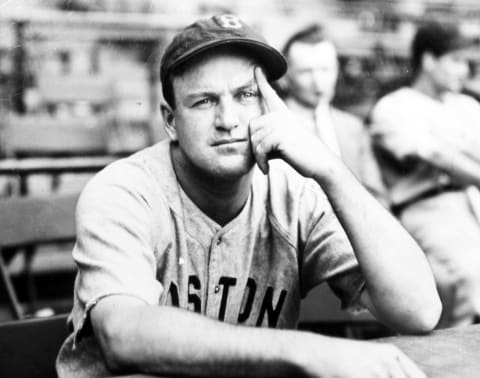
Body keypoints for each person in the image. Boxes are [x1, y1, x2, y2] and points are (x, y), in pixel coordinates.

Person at [56, 14, 440, 378]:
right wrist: (309, 351)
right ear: (171, 120)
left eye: (246, 94)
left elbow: (419, 310)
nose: (228, 119)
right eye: (204, 101)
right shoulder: (124, 190)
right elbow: (122, 334)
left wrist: (330, 169)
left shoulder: (295, 192)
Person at [370, 20, 480, 328]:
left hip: (471, 204)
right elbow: (436, 156)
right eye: (456, 61)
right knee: (470, 273)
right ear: (429, 60)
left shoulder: (468, 106)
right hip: (427, 208)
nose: (464, 71)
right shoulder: (394, 106)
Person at [280, 24, 387, 205]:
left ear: (337, 69)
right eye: (306, 72)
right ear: (286, 76)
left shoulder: (353, 127)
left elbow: (376, 196)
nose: (318, 81)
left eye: (325, 70)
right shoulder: (276, 124)